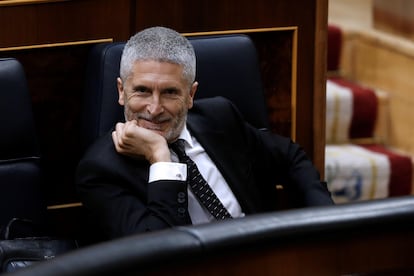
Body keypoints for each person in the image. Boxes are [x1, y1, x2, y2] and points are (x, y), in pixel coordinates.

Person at [76, 26, 333, 241]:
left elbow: (290, 156)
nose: (154, 109)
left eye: (170, 92)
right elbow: (161, 253)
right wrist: (160, 159)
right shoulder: (101, 171)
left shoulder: (219, 117)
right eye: (142, 90)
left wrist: (328, 222)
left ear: (191, 95)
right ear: (121, 91)